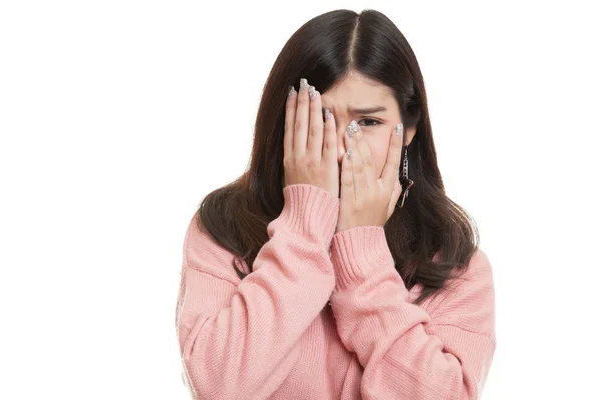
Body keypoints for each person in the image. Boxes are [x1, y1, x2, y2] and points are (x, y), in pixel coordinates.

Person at [175, 8, 496, 400]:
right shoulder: (220, 230)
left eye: (369, 122)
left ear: (409, 129)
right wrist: (304, 224)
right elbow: (218, 387)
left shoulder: (456, 264)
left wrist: (362, 255)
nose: (343, 147)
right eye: (321, 117)